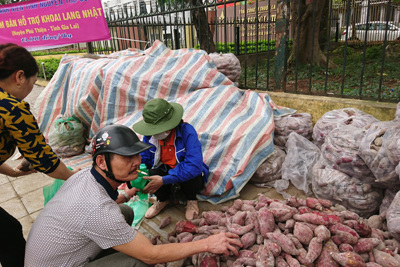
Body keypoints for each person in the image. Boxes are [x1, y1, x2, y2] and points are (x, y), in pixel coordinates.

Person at [25, 124, 241, 266]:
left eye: (136, 154)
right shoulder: (97, 211)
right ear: (102, 162)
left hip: (57, 252)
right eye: (126, 157)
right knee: (138, 261)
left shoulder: (83, 178)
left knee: (125, 212)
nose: (137, 161)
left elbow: (193, 165)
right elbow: (150, 254)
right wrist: (208, 243)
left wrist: (129, 193)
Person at [0, 43, 76, 267]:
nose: (32, 88)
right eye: (33, 83)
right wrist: (72, 175)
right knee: (9, 234)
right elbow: (42, 157)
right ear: (20, 76)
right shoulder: (12, 108)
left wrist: (13, 173)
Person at [132, 98, 209, 220]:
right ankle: (163, 199)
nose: (154, 133)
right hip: (165, 169)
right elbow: (145, 158)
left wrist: (164, 180)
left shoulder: (187, 132)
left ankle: (191, 200)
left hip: (185, 172)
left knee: (193, 177)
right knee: (148, 174)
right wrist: (136, 172)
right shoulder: (150, 136)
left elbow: (193, 165)